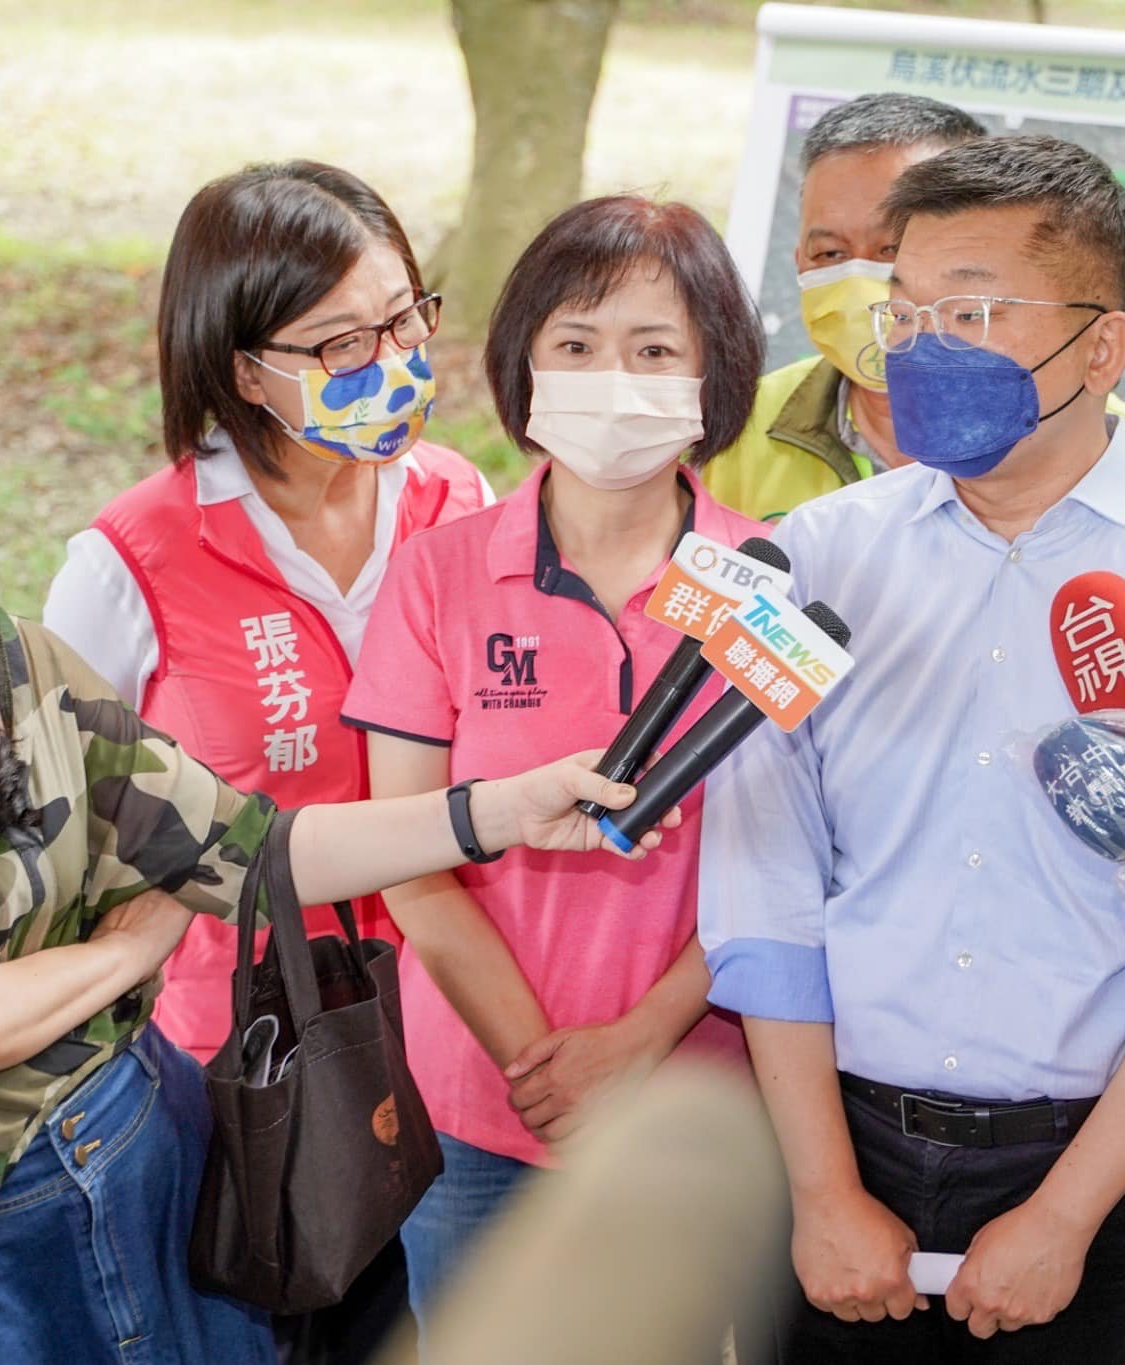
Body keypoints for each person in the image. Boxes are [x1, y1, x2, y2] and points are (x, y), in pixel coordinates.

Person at [0, 285, 677, 1365]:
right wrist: (131, 949)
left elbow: (256, 843)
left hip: (149, 1157)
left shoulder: (1, 664)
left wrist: (502, 809)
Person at [697, 135, 1125, 1364]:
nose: (922, 347)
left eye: (972, 311)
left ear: (1103, 346)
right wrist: (823, 1194)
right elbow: (765, 896)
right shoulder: (805, 559)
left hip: (1092, 1158)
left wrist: (1065, 1214)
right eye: (906, 310)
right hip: (835, 1136)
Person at [337, 195, 771, 1326]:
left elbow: (790, 873)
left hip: (697, 1101)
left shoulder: (765, 587)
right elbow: (408, 858)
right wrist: (546, 1066)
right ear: (522, 365)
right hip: (484, 1098)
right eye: (573, 345)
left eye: (653, 349)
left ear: (712, 375)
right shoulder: (438, 575)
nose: (610, 378)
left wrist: (632, 1051)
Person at [45, 161, 493, 1070]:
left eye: (404, 319)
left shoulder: (460, 501)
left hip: (452, 1010)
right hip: (239, 1051)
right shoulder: (130, 563)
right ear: (246, 372)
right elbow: (63, 835)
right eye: (342, 346)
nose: (396, 363)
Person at [706, 93, 1125, 524]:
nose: (863, 280)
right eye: (830, 254)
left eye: (893, 248)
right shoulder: (730, 428)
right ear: (798, 261)